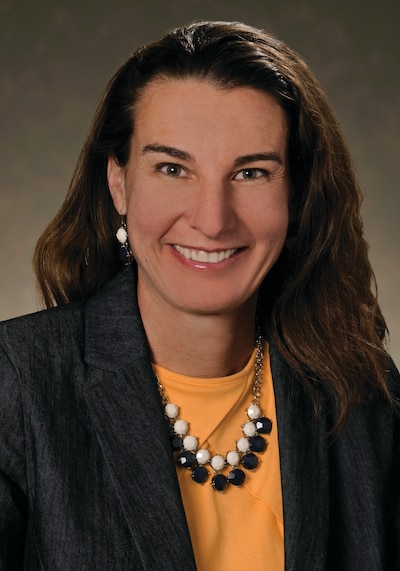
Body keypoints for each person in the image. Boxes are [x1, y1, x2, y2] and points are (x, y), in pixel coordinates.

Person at [0, 20, 398, 571]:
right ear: (118, 181)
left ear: (298, 194)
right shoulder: (16, 382)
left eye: (252, 173)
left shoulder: (361, 396)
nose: (212, 221)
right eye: (172, 168)